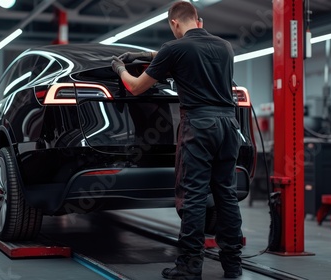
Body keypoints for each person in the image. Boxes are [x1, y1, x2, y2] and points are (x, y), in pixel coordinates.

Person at [111, 1, 243, 279]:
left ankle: (189, 267)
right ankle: (232, 265)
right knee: (225, 195)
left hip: (199, 126)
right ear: (199, 21)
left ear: (173, 24)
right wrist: (148, 54)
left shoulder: (175, 49)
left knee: (193, 196)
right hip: (229, 125)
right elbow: (188, 55)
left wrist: (120, 68)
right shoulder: (225, 47)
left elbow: (135, 88)